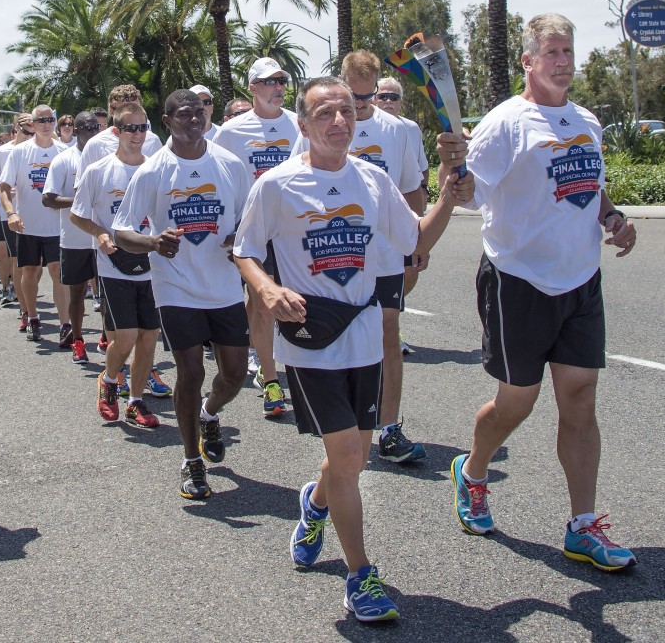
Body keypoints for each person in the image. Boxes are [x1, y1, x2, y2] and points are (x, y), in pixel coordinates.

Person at [233, 76, 472, 622]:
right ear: (303, 125)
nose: (339, 121)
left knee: (352, 461)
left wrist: (445, 199)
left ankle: (314, 504)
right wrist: (267, 289)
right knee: (345, 457)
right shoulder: (276, 186)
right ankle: (361, 576)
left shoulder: (372, 181)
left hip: (363, 339)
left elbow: (414, 241)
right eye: (325, 114)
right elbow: (245, 251)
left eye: (346, 111)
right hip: (311, 341)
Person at [437, 13, 639, 572]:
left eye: (568, 51)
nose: (563, 61)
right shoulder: (507, 123)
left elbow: (589, 187)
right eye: (551, 52)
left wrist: (614, 216)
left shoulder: (586, 121)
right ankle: (473, 471)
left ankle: (583, 525)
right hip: (518, 282)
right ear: (527, 61)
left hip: (581, 280)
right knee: (516, 404)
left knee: (579, 398)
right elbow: (471, 192)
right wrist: (455, 172)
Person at [112, 89, 251, 499]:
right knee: (191, 371)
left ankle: (209, 413)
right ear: (167, 120)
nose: (194, 119)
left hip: (224, 285)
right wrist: (154, 242)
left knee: (235, 375)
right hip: (175, 286)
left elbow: (249, 216)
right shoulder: (154, 170)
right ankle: (192, 462)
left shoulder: (229, 164)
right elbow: (122, 229)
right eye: (184, 114)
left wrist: (240, 235)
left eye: (200, 112)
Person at [339, 50, 430, 464]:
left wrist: (418, 241)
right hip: (335, 253)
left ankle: (389, 428)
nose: (359, 106)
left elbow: (412, 189)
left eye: (367, 96)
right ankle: (347, 424)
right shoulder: (323, 125)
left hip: (385, 253)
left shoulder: (395, 130)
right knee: (342, 339)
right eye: (353, 96)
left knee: (388, 334)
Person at [213, 56, 298, 417]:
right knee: (264, 303)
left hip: (296, 227)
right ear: (252, 88)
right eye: (268, 81)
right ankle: (271, 377)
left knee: (296, 301)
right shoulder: (231, 132)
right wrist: (231, 226)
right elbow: (219, 181)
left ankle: (298, 367)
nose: (277, 86)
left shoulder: (299, 123)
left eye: (281, 80)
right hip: (255, 230)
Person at [72, 102, 163, 428]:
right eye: (131, 128)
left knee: (149, 338)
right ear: (116, 131)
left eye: (143, 128)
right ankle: (110, 380)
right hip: (113, 264)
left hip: (152, 264)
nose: (138, 135)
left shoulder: (156, 168)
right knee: (124, 337)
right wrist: (99, 233)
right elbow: (77, 214)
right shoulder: (99, 171)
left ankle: (136, 401)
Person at [0, 105, 70, 342]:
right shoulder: (19, 153)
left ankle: (65, 323)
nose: (46, 125)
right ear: (32, 124)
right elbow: (4, 189)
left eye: (50, 120)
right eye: (41, 121)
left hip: (56, 226)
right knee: (29, 271)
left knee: (58, 271)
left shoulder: (64, 151)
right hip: (28, 225)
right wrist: (11, 213)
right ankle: (32, 315)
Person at [377, 75, 430, 355]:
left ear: (401, 101)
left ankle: (388, 322)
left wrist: (420, 227)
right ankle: (386, 330)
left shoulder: (409, 129)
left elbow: (419, 174)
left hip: (401, 216)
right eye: (382, 95)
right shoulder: (355, 124)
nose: (387, 101)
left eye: (393, 97)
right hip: (366, 219)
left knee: (409, 273)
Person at [43, 111, 102, 361]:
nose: (92, 131)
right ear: (75, 130)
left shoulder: (106, 159)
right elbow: (48, 198)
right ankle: (77, 339)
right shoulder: (64, 160)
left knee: (107, 296)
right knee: (77, 294)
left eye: (96, 127)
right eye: (87, 127)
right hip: (74, 239)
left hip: (102, 239)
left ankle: (107, 338)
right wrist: (79, 200)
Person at [0, 114, 35, 308]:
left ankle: (26, 295)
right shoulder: (2, 152)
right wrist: (3, 191)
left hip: (34, 213)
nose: (30, 135)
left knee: (35, 266)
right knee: (17, 258)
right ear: (16, 129)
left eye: (33, 132)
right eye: (26, 131)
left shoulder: (38, 150)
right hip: (10, 213)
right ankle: (23, 306)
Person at [79, 85, 163, 174]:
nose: (132, 115)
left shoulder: (153, 141)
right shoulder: (95, 145)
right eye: (125, 110)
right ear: (111, 111)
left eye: (135, 109)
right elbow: (82, 185)